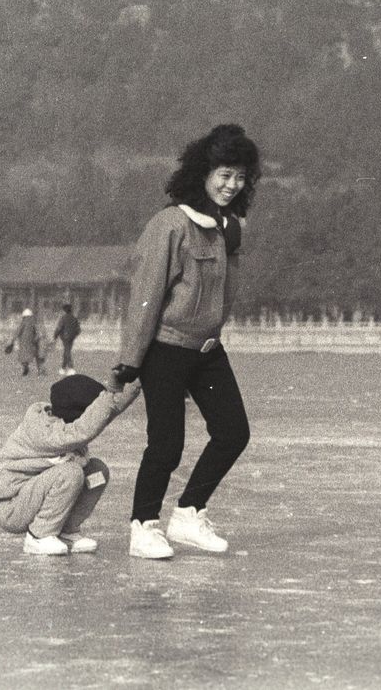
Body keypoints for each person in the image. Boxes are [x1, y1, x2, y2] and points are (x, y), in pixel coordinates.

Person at [114, 124, 259, 560]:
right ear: (203, 172)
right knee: (167, 443)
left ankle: (189, 512)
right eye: (224, 175)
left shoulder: (229, 228)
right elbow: (146, 294)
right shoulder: (171, 225)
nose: (231, 186)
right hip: (165, 347)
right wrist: (131, 360)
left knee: (233, 433)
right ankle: (144, 526)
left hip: (206, 349)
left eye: (239, 178)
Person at [0, 372, 142, 555]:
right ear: (77, 414)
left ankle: (66, 531)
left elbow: (107, 411)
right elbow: (84, 429)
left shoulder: (65, 423)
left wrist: (137, 378)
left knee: (97, 472)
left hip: (36, 493)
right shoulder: (45, 431)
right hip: (12, 506)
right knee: (71, 472)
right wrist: (107, 397)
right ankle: (39, 535)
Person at [3, 307, 42, 377]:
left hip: (23, 343)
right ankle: (39, 370)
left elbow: (18, 332)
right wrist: (35, 339)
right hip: (32, 342)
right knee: (34, 356)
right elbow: (38, 333)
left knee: (23, 357)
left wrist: (12, 341)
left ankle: (25, 368)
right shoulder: (33, 323)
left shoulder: (23, 322)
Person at [52, 303, 81, 376]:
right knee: (66, 351)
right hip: (72, 337)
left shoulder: (63, 318)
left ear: (64, 310)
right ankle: (63, 368)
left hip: (65, 337)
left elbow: (59, 328)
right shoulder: (74, 318)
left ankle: (71, 368)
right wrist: (74, 335)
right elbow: (78, 330)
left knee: (67, 351)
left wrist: (55, 336)